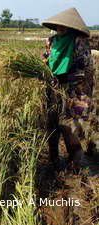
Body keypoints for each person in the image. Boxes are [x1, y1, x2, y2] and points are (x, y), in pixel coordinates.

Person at [42, 8, 97, 172]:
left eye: (64, 26)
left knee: (69, 124)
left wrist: (69, 76)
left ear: (72, 27)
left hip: (76, 90)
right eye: (58, 26)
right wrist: (44, 67)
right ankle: (54, 160)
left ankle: (75, 163)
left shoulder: (79, 41)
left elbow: (86, 67)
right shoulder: (51, 41)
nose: (60, 29)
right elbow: (46, 58)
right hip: (54, 87)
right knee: (51, 122)